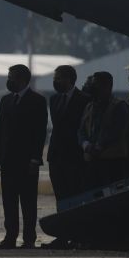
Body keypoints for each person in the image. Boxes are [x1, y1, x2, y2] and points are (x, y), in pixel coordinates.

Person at [0, 65, 48, 249]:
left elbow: (40, 132)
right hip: (7, 161)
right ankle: (10, 236)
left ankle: (29, 238)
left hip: (27, 162)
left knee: (28, 202)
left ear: (23, 79)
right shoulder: (6, 100)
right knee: (9, 201)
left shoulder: (37, 100)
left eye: (12, 77)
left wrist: (35, 158)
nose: (9, 81)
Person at [79, 72, 129, 189]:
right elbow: (81, 130)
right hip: (92, 161)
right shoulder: (89, 106)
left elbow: (117, 132)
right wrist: (85, 144)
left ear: (107, 86)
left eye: (95, 85)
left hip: (113, 161)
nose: (91, 88)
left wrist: (99, 146)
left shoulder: (119, 106)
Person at [48, 66, 90, 204]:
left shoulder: (85, 100)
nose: (55, 81)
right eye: (55, 79)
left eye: (58, 78)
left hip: (74, 157)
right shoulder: (54, 99)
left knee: (75, 196)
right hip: (56, 157)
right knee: (60, 197)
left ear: (69, 79)